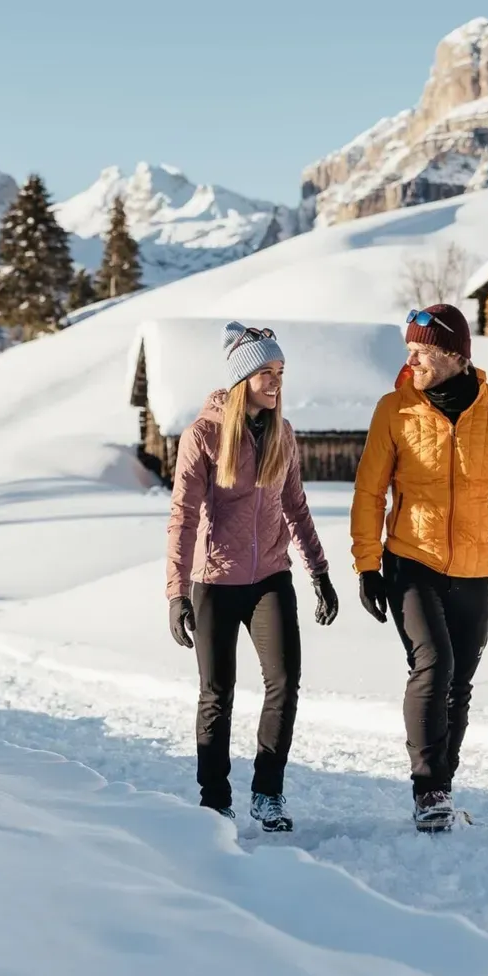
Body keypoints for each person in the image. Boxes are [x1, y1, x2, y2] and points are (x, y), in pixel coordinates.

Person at [350, 303, 488, 832]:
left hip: (474, 566)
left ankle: (441, 786)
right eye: (409, 351)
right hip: (410, 560)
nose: (411, 361)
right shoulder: (394, 410)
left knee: (460, 683)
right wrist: (367, 563)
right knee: (434, 665)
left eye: (420, 352)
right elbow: (370, 489)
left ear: (453, 354)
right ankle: (428, 791)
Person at [166, 321, 339, 832]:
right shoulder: (205, 435)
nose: (275, 381)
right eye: (266, 372)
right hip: (215, 580)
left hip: (270, 578)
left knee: (284, 682)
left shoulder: (283, 433)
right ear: (243, 378)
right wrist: (177, 592)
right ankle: (215, 800)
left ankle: (267, 793)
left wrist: (320, 572)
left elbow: (296, 507)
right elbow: (183, 516)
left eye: (280, 372)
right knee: (217, 692)